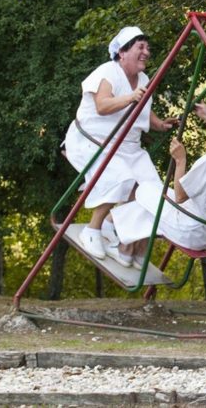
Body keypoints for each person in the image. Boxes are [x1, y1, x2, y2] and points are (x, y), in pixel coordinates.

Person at [63, 26, 178, 260]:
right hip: (93, 142)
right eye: (140, 47)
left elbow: (143, 110)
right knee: (121, 177)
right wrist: (129, 97)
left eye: (147, 47)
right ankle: (92, 230)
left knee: (152, 192)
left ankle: (124, 243)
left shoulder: (143, 79)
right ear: (122, 52)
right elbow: (102, 106)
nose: (146, 52)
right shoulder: (108, 72)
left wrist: (160, 124)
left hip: (127, 148)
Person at [103, 106, 206, 267]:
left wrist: (180, 161)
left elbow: (180, 197)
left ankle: (118, 239)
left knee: (144, 188)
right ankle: (137, 253)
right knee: (156, 199)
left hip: (187, 230)